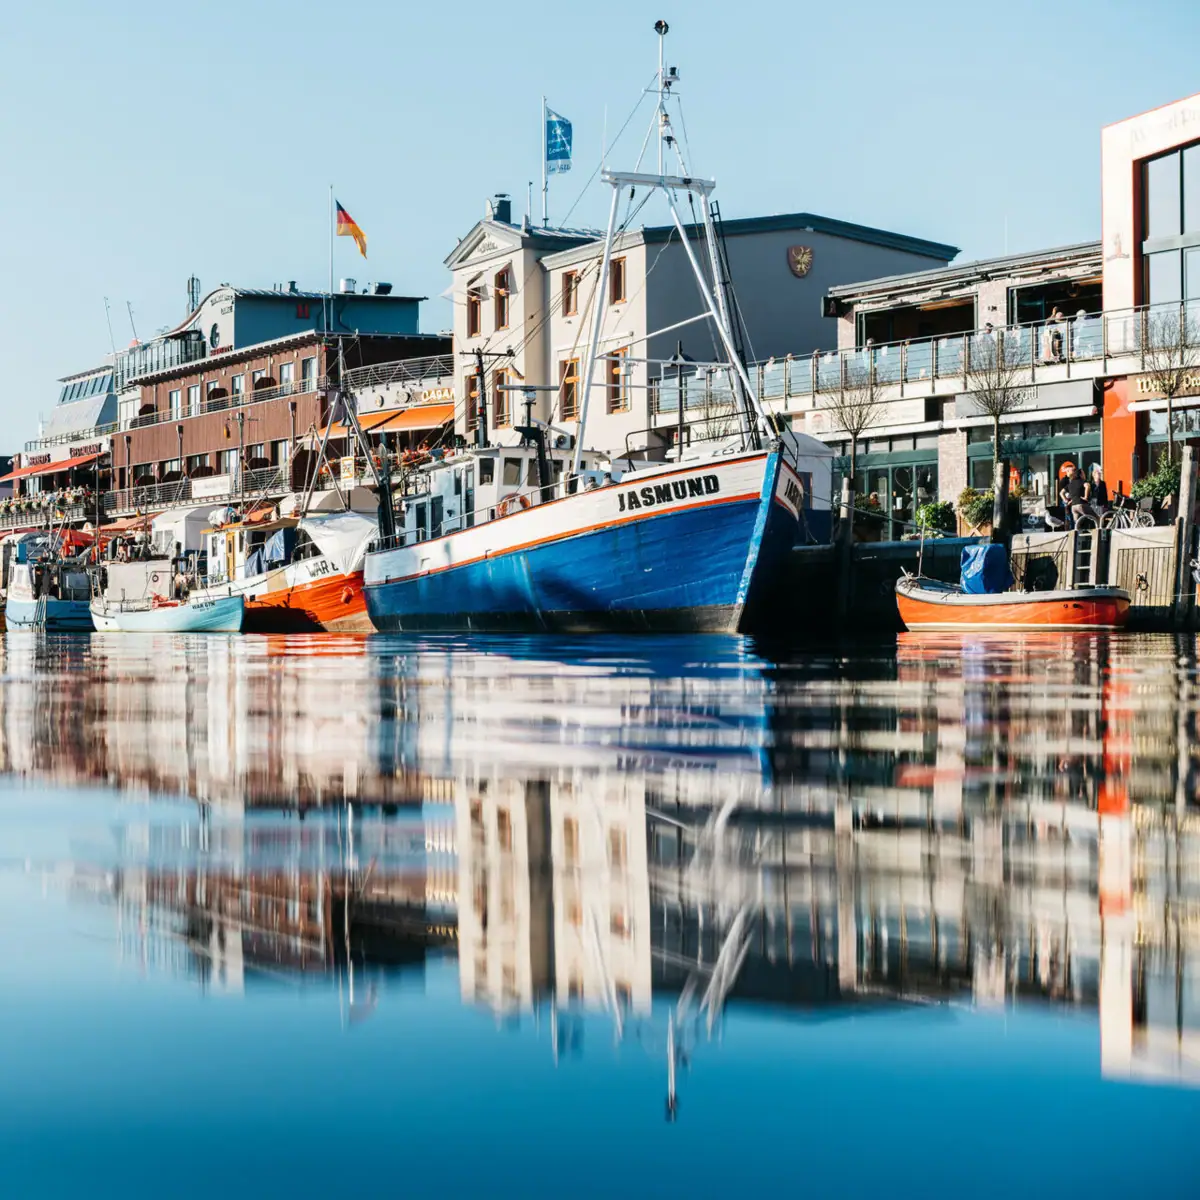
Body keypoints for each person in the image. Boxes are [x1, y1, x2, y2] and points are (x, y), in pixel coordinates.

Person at [1059, 462, 1088, 526]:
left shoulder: (1075, 479)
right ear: (1067, 471)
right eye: (1073, 470)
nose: (1074, 471)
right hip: (1070, 500)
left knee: (1075, 518)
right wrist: (1066, 500)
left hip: (1074, 500)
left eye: (1074, 470)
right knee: (1069, 517)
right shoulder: (1064, 480)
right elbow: (1062, 492)